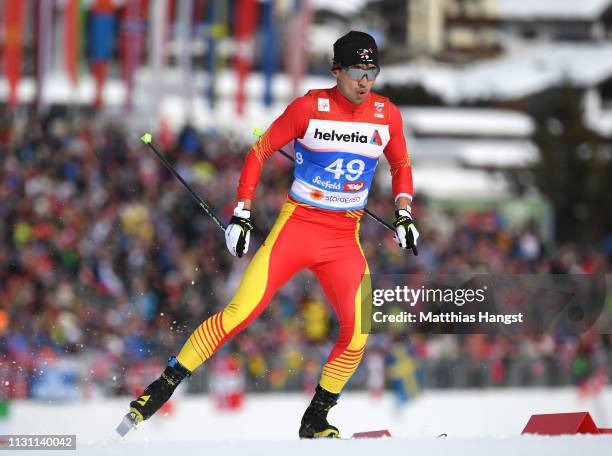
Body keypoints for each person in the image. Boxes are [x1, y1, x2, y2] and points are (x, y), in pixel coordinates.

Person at [127, 30, 419, 439]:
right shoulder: (308, 108)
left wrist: (404, 213)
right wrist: (241, 215)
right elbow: (259, 151)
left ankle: (316, 417)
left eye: (372, 71)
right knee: (238, 314)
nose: (365, 81)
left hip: (342, 240)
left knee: (359, 333)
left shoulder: (386, 114)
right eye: (356, 71)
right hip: (297, 229)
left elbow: (401, 163)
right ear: (337, 70)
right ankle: (162, 386)